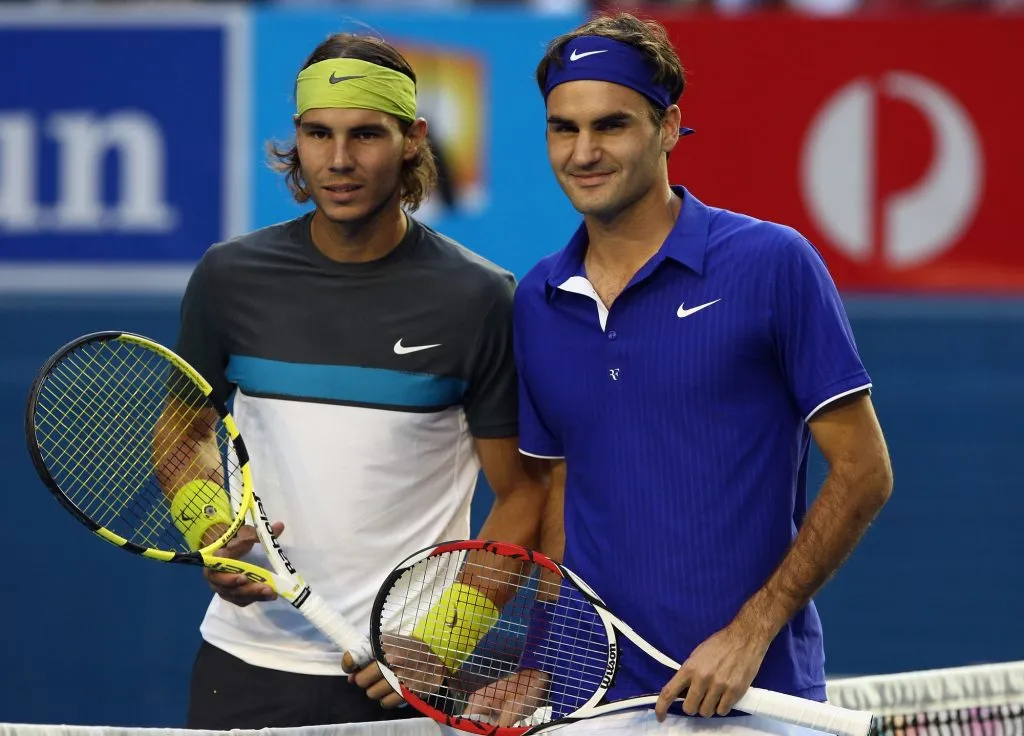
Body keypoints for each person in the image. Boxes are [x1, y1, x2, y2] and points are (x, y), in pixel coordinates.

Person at [468, 11, 894, 734]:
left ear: (667, 127)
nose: (583, 152)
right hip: (595, 705)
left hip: (758, 700)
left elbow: (864, 471)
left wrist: (750, 632)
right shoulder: (539, 298)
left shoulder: (772, 263)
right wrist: (541, 657)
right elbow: (563, 494)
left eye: (611, 126)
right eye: (563, 129)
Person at [172, 32, 546, 729]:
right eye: (318, 134)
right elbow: (180, 431)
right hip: (242, 666)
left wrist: (439, 644)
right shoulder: (229, 278)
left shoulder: (480, 297)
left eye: (366, 134)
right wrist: (209, 527)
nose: (338, 160)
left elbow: (524, 493)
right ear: (298, 138)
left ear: (412, 139)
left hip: (407, 682)